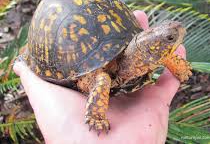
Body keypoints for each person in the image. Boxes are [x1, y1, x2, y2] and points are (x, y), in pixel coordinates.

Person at [13, 10, 186, 144]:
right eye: (170, 38)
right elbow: (102, 77)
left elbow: (162, 54)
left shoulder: (148, 55)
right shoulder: (103, 75)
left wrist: (177, 66)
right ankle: (95, 115)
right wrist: (96, 116)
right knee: (103, 79)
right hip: (69, 52)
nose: (178, 32)